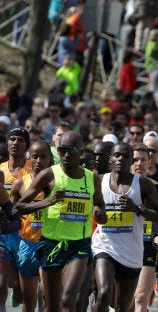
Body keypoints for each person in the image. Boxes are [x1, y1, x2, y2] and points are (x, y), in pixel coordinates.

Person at [16, 131, 107, 312]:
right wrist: (48, 201)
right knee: (52, 306)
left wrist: (100, 213)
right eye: (62, 150)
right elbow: (20, 206)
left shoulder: (92, 178)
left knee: (68, 299)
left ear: (81, 151)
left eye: (71, 150)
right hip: (51, 244)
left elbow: (99, 205)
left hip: (79, 245)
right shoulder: (49, 175)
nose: (65, 155)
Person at [91, 143, 158, 311]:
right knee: (104, 292)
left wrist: (137, 209)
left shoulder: (143, 184)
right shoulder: (99, 180)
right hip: (104, 246)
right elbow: (95, 206)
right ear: (110, 159)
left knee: (122, 306)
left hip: (132, 251)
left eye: (127, 156)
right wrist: (97, 214)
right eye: (117, 155)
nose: (122, 159)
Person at [10, 141, 53, 312]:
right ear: (29, 158)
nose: (38, 161)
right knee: (28, 302)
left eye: (43, 157)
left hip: (49, 244)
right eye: (35, 156)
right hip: (27, 243)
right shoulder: (20, 184)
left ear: (50, 159)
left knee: (46, 295)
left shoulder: (57, 183)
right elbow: (12, 212)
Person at [131, 143, 158, 312]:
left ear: (149, 162)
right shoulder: (118, 186)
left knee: (140, 297)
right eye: (135, 159)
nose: (139, 163)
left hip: (147, 245)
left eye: (143, 160)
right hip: (124, 244)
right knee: (124, 300)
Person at [0, 127, 31, 307]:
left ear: (26, 145)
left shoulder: (32, 172)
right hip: (4, 233)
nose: (15, 143)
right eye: (12, 139)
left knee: (20, 289)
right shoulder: (0, 170)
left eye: (20, 140)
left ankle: (18, 291)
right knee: (1, 284)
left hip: (24, 233)